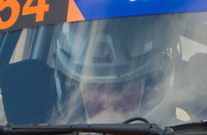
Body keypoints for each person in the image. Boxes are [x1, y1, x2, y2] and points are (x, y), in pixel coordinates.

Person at [50, 16, 178, 123]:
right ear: (75, 90)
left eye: (121, 86)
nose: (109, 102)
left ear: (151, 88)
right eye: (95, 87)